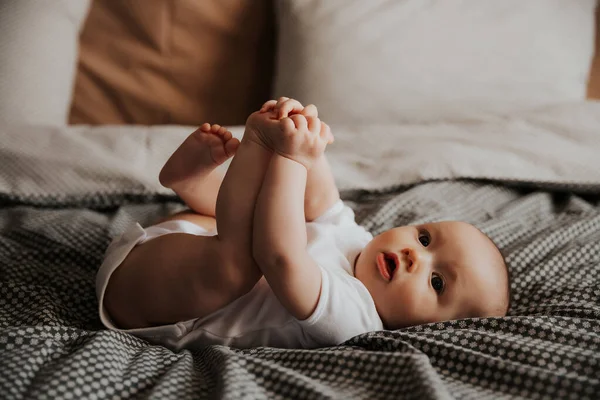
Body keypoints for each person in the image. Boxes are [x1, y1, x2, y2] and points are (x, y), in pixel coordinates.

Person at [96, 98, 511, 350]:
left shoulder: (356, 317)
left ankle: (248, 147)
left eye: (437, 282)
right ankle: (191, 184)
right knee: (252, 219)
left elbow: (279, 256)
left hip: (148, 303)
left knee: (242, 263)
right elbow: (322, 200)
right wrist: (308, 139)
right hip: (181, 244)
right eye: (424, 238)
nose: (413, 255)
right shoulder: (359, 243)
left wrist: (287, 157)